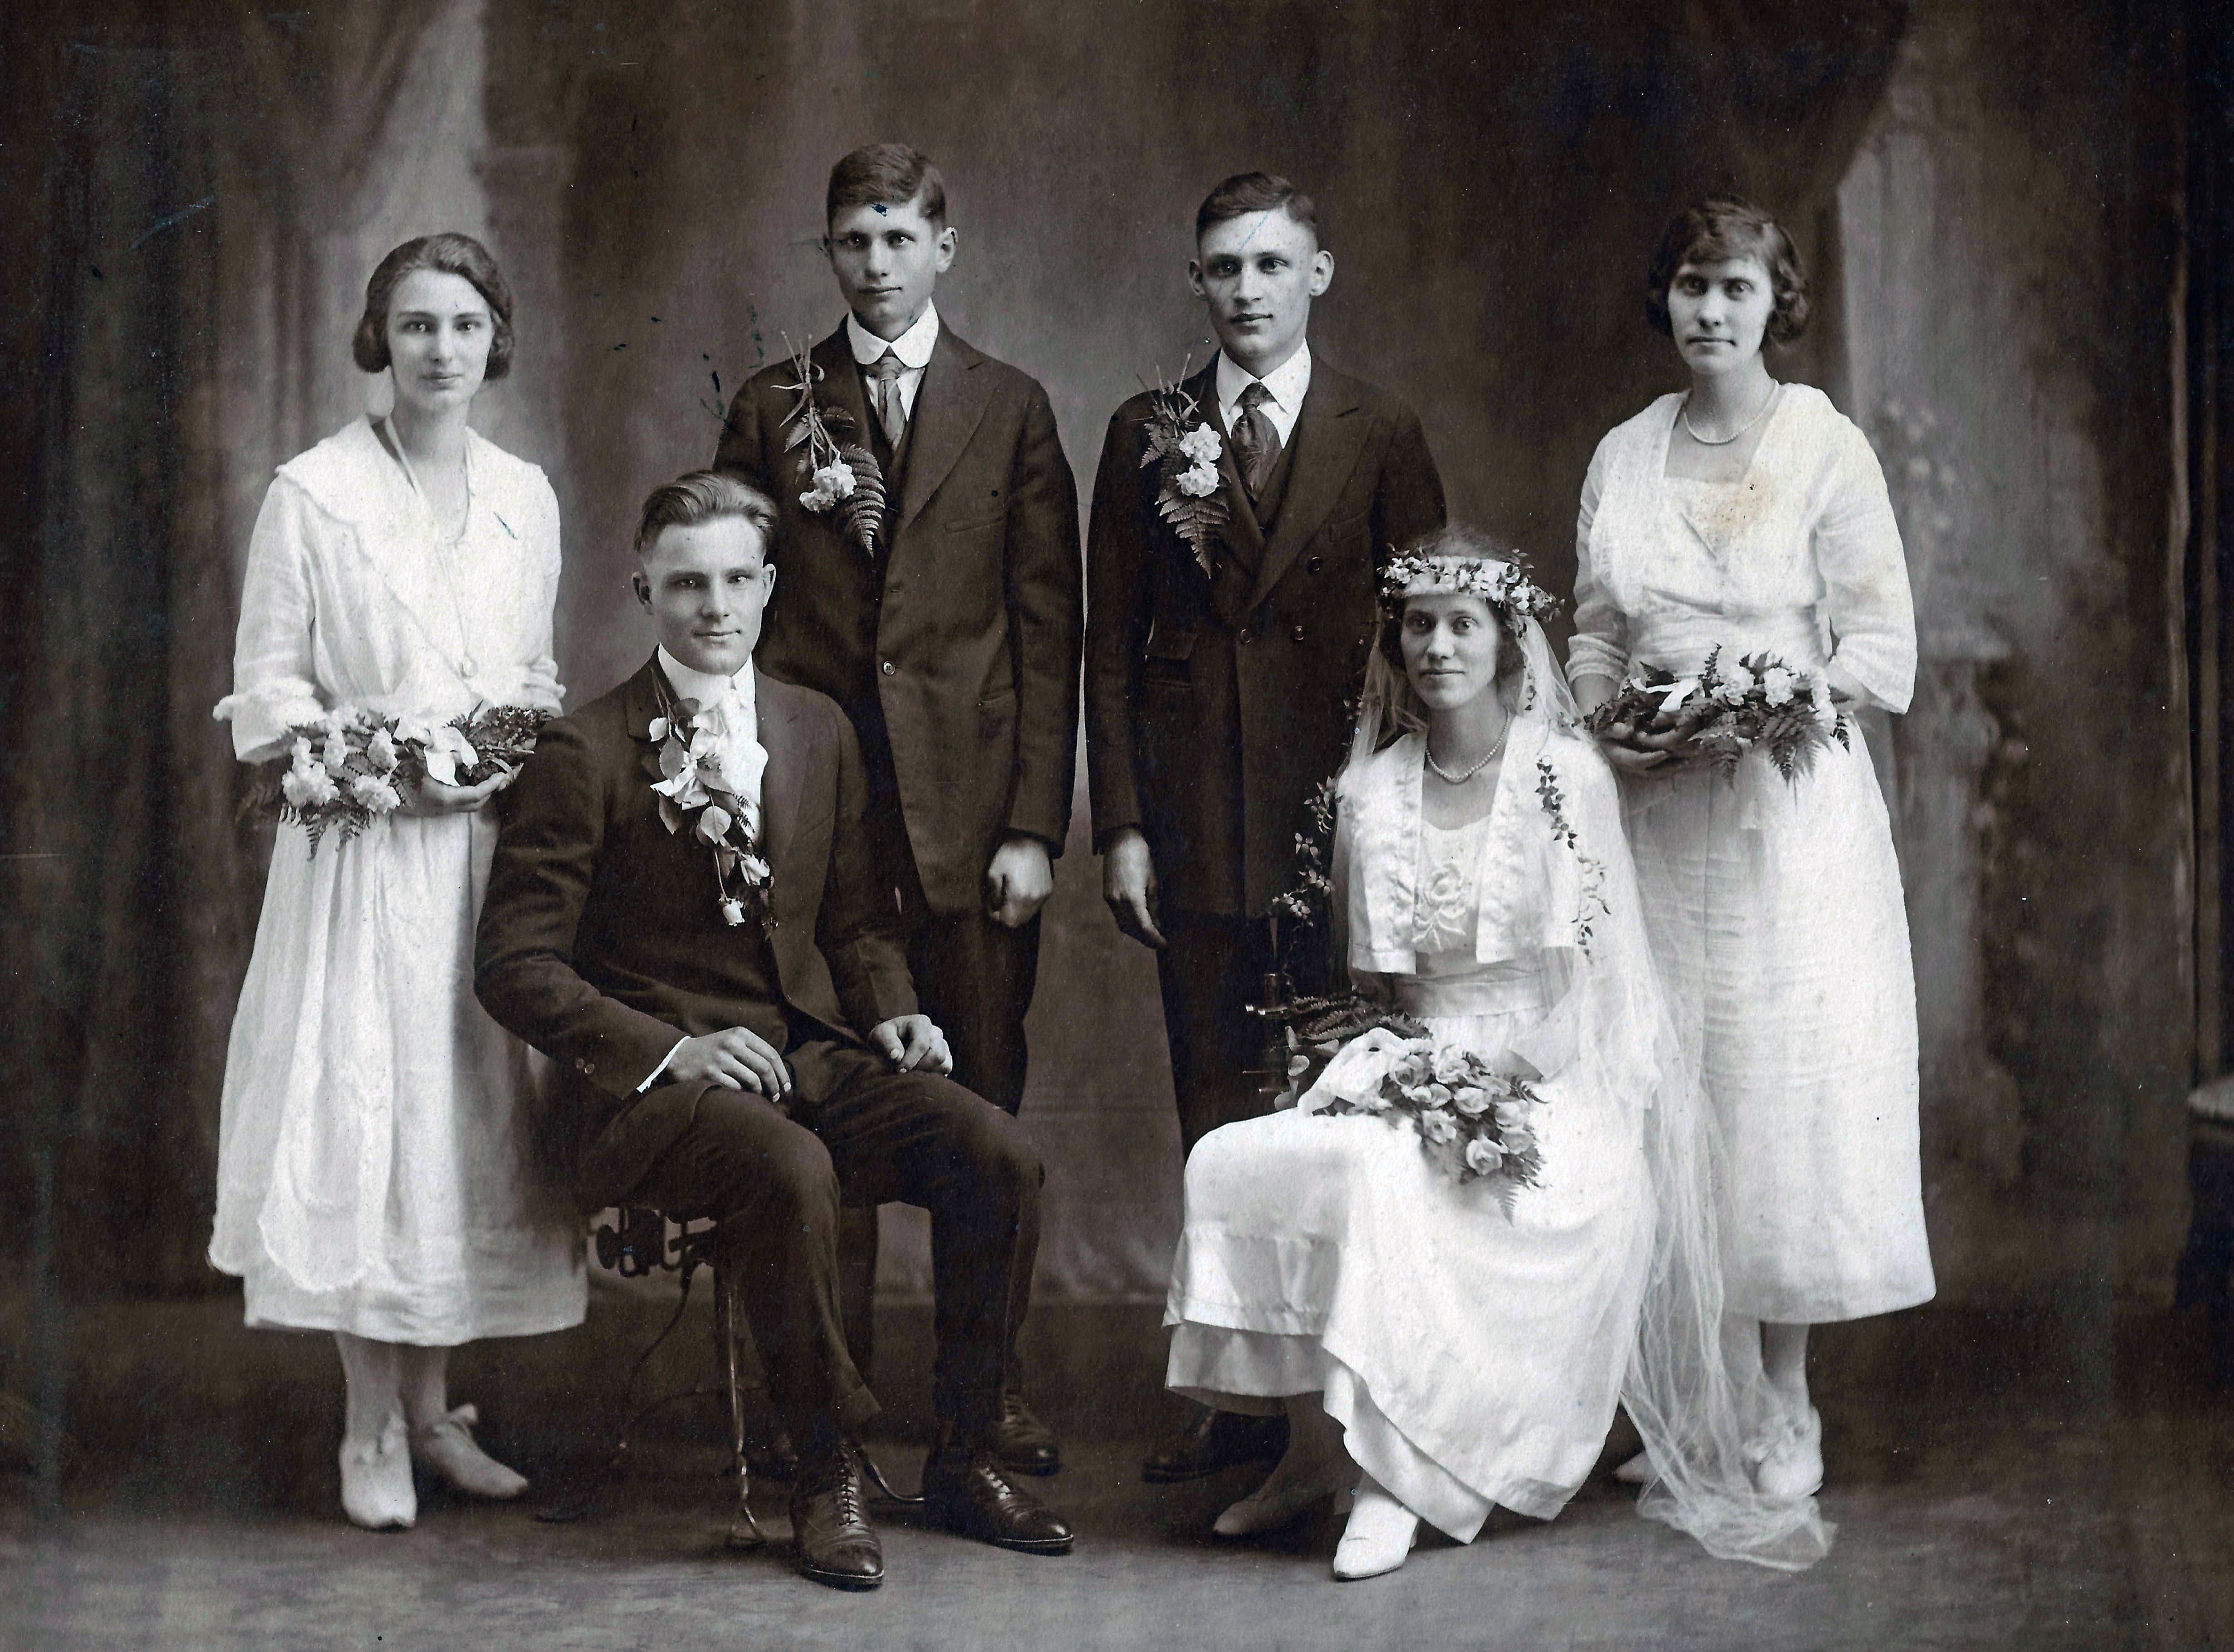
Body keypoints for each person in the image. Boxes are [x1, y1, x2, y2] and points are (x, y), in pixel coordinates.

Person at [1163, 530, 1832, 1579]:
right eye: (1418, 625)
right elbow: (1373, 986)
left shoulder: (1563, 778)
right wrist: (1362, 1066)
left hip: (1546, 1077)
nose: (1436, 646)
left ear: (1506, 641)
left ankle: (1396, 1483)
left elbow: (1587, 997)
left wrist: (1479, 1080)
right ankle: (1309, 1450)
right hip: (1406, 1057)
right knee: (1241, 1156)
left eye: (1461, 624)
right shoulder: (1369, 790)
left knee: (1382, 1175)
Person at [474, 472, 1072, 1591]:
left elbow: (852, 924)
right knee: (793, 1169)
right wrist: (670, 1049)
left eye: (736, 580)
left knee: (997, 1153)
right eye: (686, 582)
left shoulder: (813, 725)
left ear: (768, 586)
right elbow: (514, 968)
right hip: (650, 1096)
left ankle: (964, 1450)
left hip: (800, 1057)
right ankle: (823, 1467)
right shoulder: (586, 749)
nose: (714, 606)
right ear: (642, 588)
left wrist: (895, 1012)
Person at [712, 144, 1080, 1475]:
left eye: (895, 237)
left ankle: (987, 1392)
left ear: (945, 245)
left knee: (981, 1095)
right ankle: (838, 1394)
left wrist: (1034, 824)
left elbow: (1048, 626)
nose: (873, 263)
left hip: (974, 823)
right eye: (849, 241)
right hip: (816, 813)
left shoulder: (1010, 404)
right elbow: (731, 611)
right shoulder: (773, 403)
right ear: (828, 254)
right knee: (827, 1096)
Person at [210, 234, 586, 1530]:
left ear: (495, 340)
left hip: (489, 862)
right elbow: (267, 690)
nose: (441, 349)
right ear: (380, 337)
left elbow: (532, 681)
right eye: (416, 324)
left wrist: (489, 753)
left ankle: (434, 1414)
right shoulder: (311, 494)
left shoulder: (524, 494)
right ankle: (368, 1423)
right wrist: (372, 760)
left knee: (463, 1130)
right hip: (363, 855)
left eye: (465, 324)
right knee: (371, 1124)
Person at [1569, 197, 1936, 1499]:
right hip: (1660, 815)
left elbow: (1881, 649)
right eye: (1686, 287)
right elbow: (1598, 631)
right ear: (1661, 301)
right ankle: (1691, 1391)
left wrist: (1767, 706)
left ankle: (1782, 1399)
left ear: (1773, 302)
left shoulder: (1822, 446)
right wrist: (1614, 723)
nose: (1706, 312)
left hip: (1789, 823)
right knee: (1672, 1083)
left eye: (1731, 289)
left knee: (1776, 1088)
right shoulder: (1622, 454)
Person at [1083, 171, 1445, 1483]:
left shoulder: (1377, 429)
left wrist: (1393, 826)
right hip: (1190, 828)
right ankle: (1237, 1405)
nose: (1245, 290)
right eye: (1222, 268)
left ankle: (1342, 1394)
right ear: (1196, 282)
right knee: (1214, 1109)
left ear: (1318, 275)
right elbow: (1107, 655)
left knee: (1333, 1100)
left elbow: (1425, 647)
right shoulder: (1144, 430)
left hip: (1330, 820)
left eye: (1269, 266)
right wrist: (1120, 825)